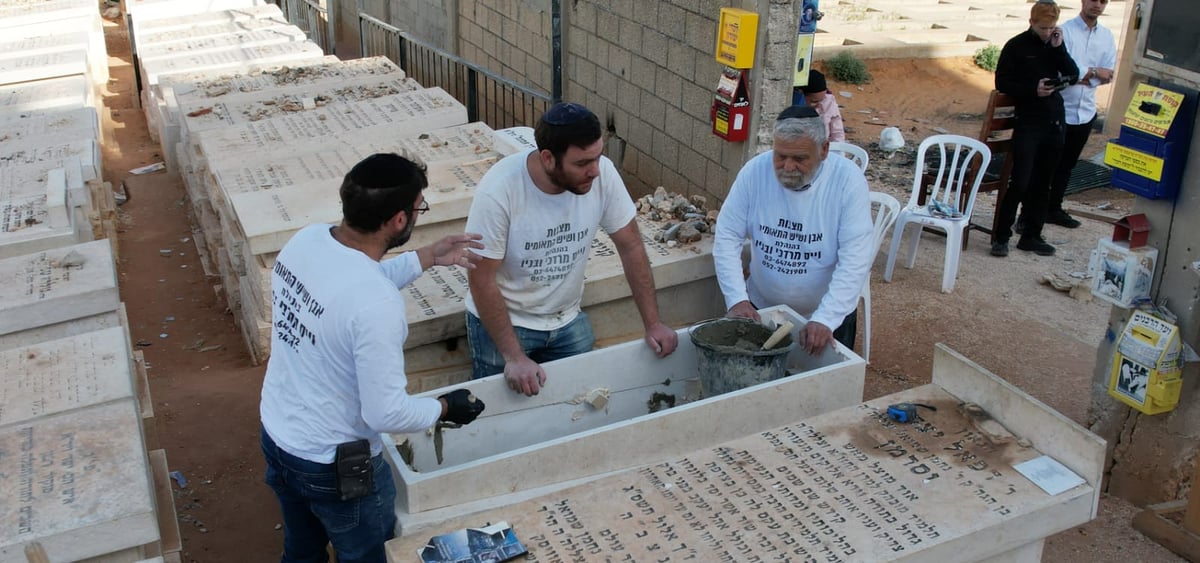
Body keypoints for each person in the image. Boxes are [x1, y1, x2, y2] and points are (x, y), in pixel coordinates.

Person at [259, 153, 487, 563]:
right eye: (419, 208)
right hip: (334, 465)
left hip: (279, 436)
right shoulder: (376, 305)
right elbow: (387, 414)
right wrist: (443, 407)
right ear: (399, 220)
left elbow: (347, 290)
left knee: (302, 549)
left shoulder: (307, 240)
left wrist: (426, 257)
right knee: (366, 555)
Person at [464, 102, 678, 396]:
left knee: (579, 407)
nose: (595, 171)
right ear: (548, 158)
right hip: (506, 326)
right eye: (581, 164)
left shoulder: (602, 174)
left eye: (598, 158)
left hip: (567, 322)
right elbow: (480, 278)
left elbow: (630, 246)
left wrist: (654, 324)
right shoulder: (500, 191)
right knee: (496, 420)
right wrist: (513, 357)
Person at [712, 105, 873, 355]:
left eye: (799, 159)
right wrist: (737, 299)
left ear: (824, 150)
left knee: (824, 390)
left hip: (825, 317)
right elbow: (727, 236)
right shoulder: (755, 172)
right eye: (780, 156)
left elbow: (855, 258)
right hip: (761, 310)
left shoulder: (847, 181)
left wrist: (826, 318)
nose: (787, 167)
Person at [992, 0, 1079, 258]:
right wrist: (1033, 89)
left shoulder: (1055, 44)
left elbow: (1073, 74)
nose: (1046, 32)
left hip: (1054, 121)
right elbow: (1003, 82)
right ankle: (1001, 236)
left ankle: (1031, 234)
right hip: (1029, 121)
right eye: (1042, 27)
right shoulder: (1017, 46)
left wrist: (1058, 48)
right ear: (1031, 23)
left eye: (1050, 27)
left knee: (1044, 182)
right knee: (1020, 181)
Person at [1043, 0, 1116, 229]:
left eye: (1103, 1)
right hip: (1060, 108)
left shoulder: (1106, 36)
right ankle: (1033, 212)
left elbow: (1109, 74)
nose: (1098, 5)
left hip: (1085, 112)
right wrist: (1092, 72)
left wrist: (1083, 74)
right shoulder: (1065, 31)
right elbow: (1065, 70)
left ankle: (1054, 209)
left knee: (1067, 165)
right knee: (1046, 164)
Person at [798, 70, 845, 142]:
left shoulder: (829, 102)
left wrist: (838, 151)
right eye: (814, 101)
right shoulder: (796, 109)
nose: (819, 105)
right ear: (802, 95)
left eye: (822, 100)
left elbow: (837, 133)